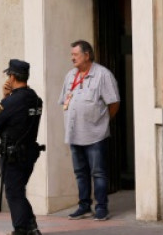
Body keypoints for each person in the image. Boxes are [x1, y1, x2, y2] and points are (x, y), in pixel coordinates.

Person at [61, 40, 120, 221]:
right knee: (80, 173)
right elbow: (64, 101)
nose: (72, 58)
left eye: (75, 54)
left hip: (95, 135)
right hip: (74, 134)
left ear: (87, 55)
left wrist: (101, 122)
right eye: (71, 55)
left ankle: (101, 207)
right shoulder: (70, 75)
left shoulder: (103, 74)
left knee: (98, 173)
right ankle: (84, 206)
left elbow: (114, 103)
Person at [0, 59, 44, 235]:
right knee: (18, 191)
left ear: (12, 77)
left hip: (13, 154)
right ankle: (32, 227)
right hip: (30, 152)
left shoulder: (12, 101)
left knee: (13, 192)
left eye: (9, 75)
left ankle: (22, 229)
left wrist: (5, 97)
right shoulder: (35, 98)